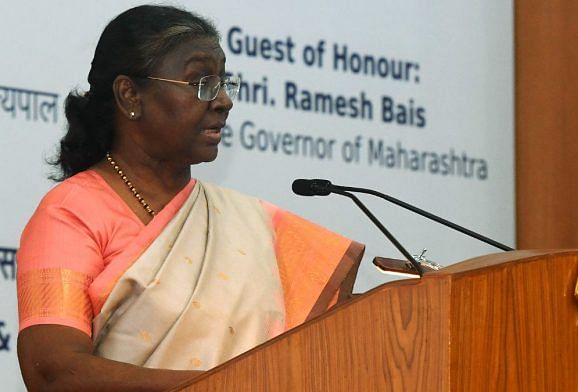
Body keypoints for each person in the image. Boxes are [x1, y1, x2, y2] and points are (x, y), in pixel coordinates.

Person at [16, 5, 364, 391]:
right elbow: (52, 371)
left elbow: (323, 342)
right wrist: (229, 385)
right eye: (201, 84)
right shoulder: (71, 213)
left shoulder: (249, 225)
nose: (223, 102)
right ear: (130, 94)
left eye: (223, 83)